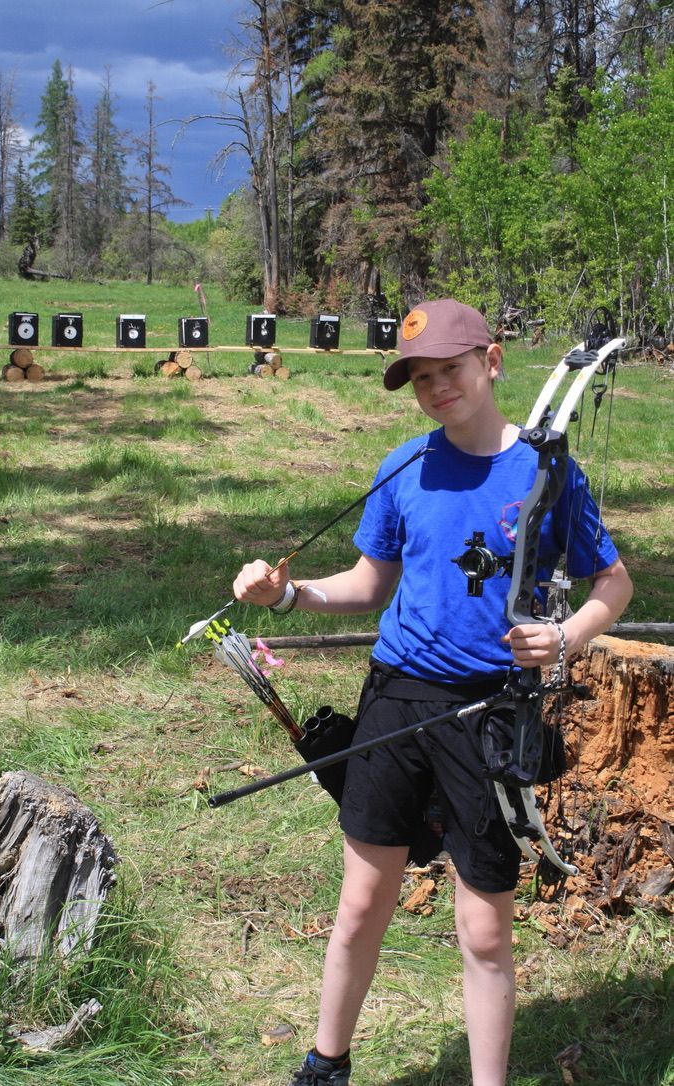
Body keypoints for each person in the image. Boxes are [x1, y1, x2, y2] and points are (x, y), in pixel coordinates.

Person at [232, 299, 633, 1086]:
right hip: (397, 698)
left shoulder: (547, 473)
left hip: (489, 712)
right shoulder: (405, 467)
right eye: (421, 378)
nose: (438, 387)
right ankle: (325, 1064)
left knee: (483, 930)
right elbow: (370, 584)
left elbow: (612, 582)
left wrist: (566, 637)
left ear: (492, 360)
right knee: (360, 906)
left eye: (451, 368)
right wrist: (289, 595)